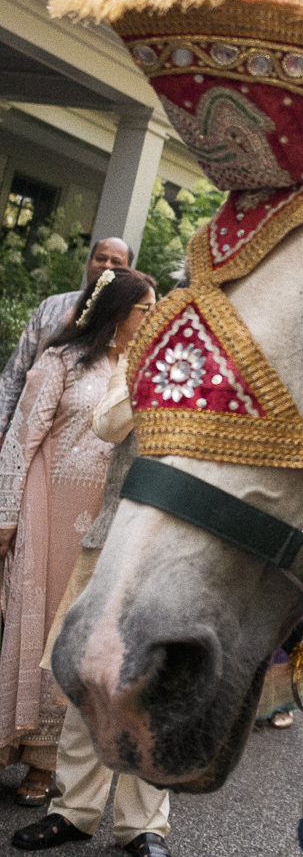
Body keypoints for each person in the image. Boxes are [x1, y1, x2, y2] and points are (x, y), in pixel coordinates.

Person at [0, 268, 155, 802]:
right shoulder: (60, 360)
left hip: (104, 521)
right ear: (115, 311)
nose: (151, 319)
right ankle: (9, 744)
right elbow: (22, 439)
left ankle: (45, 766)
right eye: (144, 310)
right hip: (46, 509)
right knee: (32, 627)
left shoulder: (141, 371)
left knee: (71, 638)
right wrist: (5, 514)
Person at [12, 348, 171, 855]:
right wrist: (156, 372)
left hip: (181, 545)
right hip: (113, 534)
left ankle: (143, 826)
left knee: (155, 684)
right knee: (85, 674)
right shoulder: (140, 359)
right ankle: (75, 811)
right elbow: (108, 425)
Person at [0, 238, 134, 443]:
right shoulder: (52, 307)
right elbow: (14, 374)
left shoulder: (130, 323)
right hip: (28, 428)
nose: (107, 265)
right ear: (89, 264)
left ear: (128, 271)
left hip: (87, 443)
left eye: (116, 262)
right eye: (101, 258)